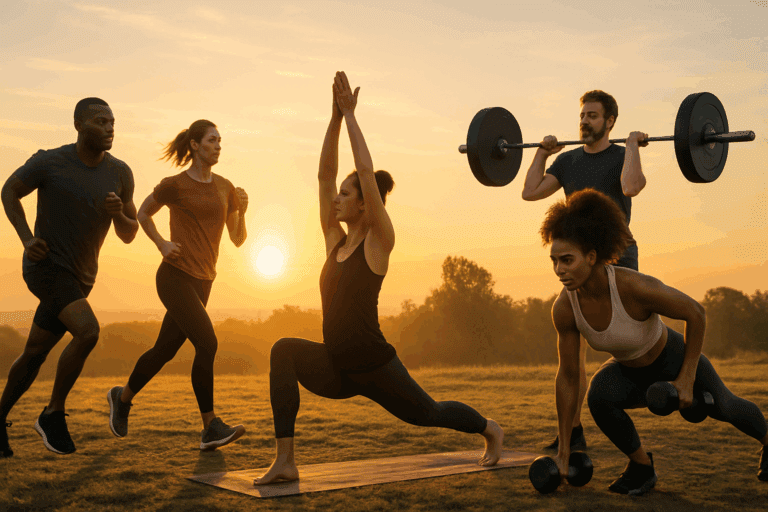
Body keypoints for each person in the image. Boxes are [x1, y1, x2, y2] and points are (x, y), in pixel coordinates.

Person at [253, 72, 504, 485]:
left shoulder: (377, 242)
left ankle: (489, 428)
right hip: (336, 367)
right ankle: (285, 460)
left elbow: (366, 174)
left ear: (366, 204)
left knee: (430, 414)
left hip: (375, 366)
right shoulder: (335, 240)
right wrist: (332, 118)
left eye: (347, 195)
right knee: (284, 351)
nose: (337, 198)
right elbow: (323, 177)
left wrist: (351, 116)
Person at [541, 188, 768, 495]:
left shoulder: (634, 287)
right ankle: (641, 467)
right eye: (554, 261)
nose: (559, 270)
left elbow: (696, 313)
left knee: (724, 406)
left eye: (567, 260)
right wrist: (565, 447)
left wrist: (686, 379)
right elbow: (569, 377)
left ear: (591, 256)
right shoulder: (565, 307)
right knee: (599, 395)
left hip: (672, 358)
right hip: (629, 372)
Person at [0, 98, 138, 456]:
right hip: (45, 267)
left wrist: (119, 212)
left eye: (112, 121)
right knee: (88, 331)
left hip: (81, 279)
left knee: (34, 352)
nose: (110, 128)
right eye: (100, 121)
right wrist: (27, 238)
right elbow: (9, 190)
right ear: (79, 125)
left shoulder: (121, 172)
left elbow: (129, 233)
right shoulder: (50, 161)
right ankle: (53, 413)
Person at [107, 119, 248, 451]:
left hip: (203, 283)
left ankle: (122, 398)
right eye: (212, 140)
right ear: (196, 145)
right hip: (174, 277)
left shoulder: (226, 187)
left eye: (220, 140)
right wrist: (162, 244)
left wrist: (243, 209)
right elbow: (143, 213)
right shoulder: (175, 185)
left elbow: (239, 239)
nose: (218, 145)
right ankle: (210, 426)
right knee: (207, 343)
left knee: (164, 351)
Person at [521, 90, 648, 452]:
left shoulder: (624, 156)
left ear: (610, 122)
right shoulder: (569, 161)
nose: (584, 121)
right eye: (582, 115)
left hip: (617, 258)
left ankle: (673, 383)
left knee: (628, 342)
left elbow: (630, 186)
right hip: (579, 260)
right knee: (571, 348)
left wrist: (635, 146)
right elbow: (530, 192)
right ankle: (573, 430)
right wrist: (543, 153)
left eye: (593, 116)